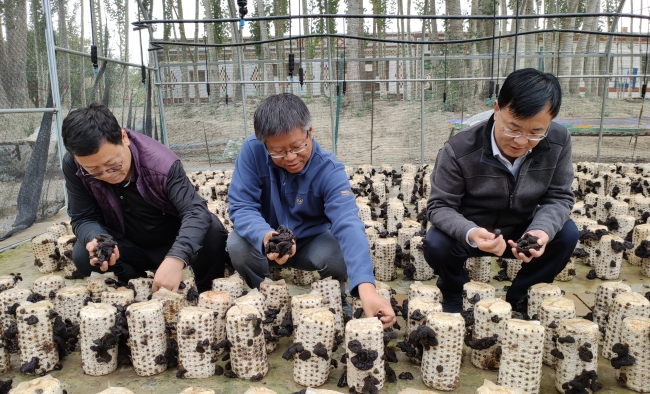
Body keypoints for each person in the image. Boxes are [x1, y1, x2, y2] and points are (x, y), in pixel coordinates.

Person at [227, 93, 396, 328]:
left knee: (338, 252)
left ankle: (337, 299)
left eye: (298, 146)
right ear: (264, 144)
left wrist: (367, 287)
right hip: (265, 242)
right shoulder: (252, 151)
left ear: (310, 131)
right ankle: (264, 297)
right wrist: (266, 236)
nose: (290, 158)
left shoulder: (328, 169)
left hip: (309, 242)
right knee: (236, 245)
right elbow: (241, 206)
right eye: (277, 152)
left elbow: (348, 222)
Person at [422, 68, 579, 313]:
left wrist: (540, 230)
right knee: (436, 243)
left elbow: (559, 196)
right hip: (475, 228)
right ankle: (455, 291)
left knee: (566, 233)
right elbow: (439, 206)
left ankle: (522, 296)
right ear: (497, 109)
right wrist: (471, 232)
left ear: (551, 121)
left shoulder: (559, 141)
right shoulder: (459, 150)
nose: (521, 141)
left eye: (536, 132)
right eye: (513, 128)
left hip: (522, 229)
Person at [62, 102, 229, 293]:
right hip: (127, 243)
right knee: (84, 254)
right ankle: (136, 286)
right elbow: (83, 217)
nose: (107, 175)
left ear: (123, 137)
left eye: (113, 165)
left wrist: (177, 257)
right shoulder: (74, 165)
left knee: (212, 230)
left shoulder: (161, 163)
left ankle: (206, 288)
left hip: (171, 239)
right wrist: (96, 239)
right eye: (94, 171)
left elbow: (195, 211)